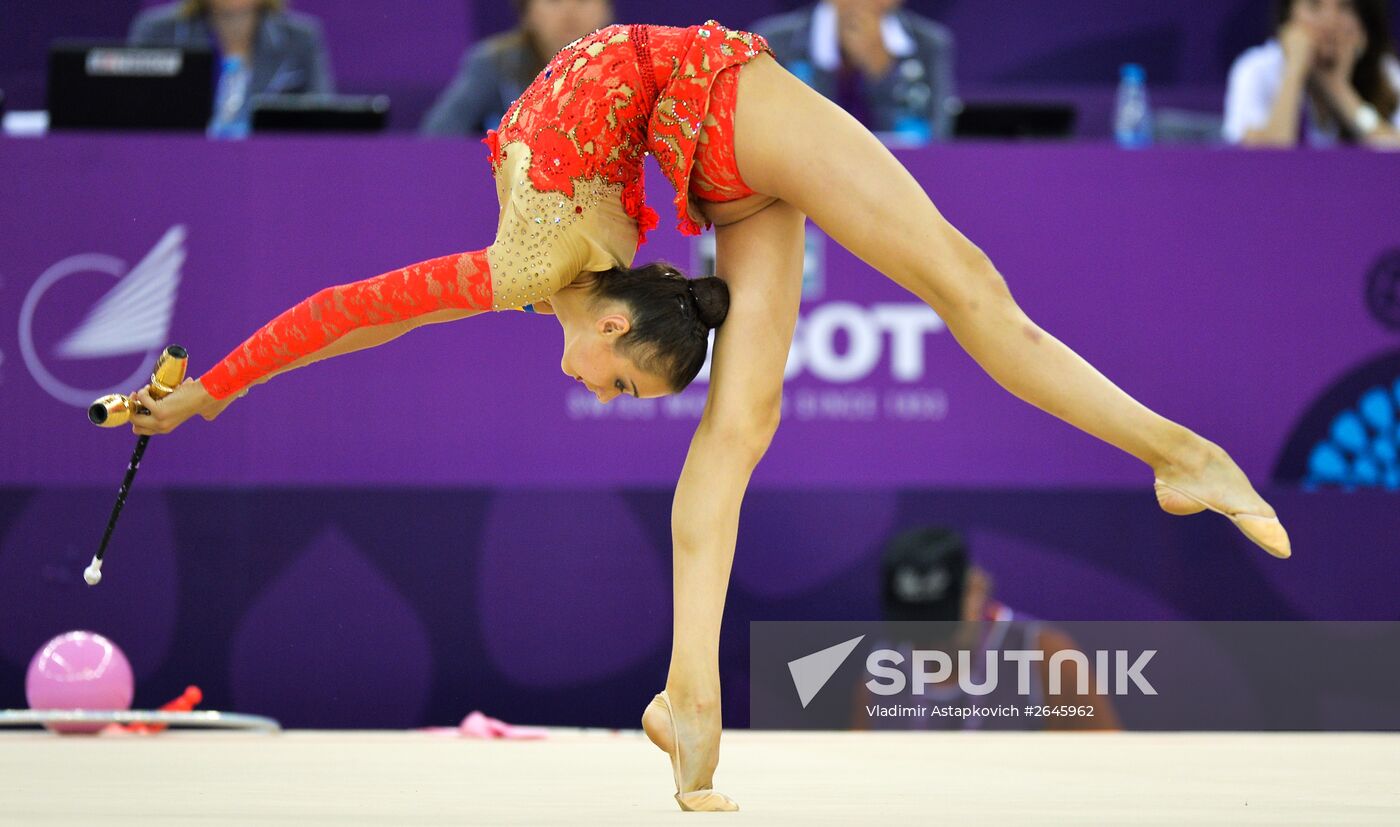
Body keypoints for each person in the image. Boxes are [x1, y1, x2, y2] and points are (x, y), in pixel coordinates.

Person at [125, 19, 1291, 812]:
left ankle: (1183, 451)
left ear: (614, 322)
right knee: (737, 431)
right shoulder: (579, 274)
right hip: (711, 162)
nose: (594, 390)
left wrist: (215, 387)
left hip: (730, 100)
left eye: (615, 384)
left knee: (968, 286)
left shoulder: (529, 264)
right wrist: (211, 389)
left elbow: (351, 311)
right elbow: (365, 315)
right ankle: (689, 695)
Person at [852, 526, 1120, 731]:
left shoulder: (1046, 656)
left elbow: (1108, 764)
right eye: (916, 628)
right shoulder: (885, 665)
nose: (931, 642)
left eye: (942, 623)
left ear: (977, 589)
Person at [751, 0, 955, 140]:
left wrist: (883, 75)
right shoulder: (776, 41)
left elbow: (933, 139)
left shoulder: (929, 45)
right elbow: (768, 131)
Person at [422, 0, 613, 137]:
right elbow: (437, 137)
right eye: (554, 1)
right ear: (527, 12)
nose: (569, 12)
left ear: (606, 9)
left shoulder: (623, 65)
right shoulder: (495, 63)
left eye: (583, 0)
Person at [1224, 0, 1400, 148]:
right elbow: (1264, 160)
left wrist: (1339, 89)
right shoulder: (1257, 70)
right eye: (1314, 6)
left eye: (1345, 7)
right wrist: (1294, 70)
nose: (1330, 22)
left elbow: (1393, 156)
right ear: (1289, 15)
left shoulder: (1385, 71)